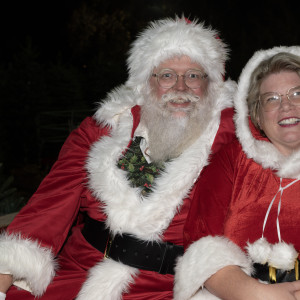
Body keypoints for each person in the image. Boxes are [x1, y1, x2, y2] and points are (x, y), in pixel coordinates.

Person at [0, 17, 236, 300]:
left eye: (194, 75)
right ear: (146, 83)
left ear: (212, 84)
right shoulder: (101, 130)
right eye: (167, 75)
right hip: (82, 267)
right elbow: (50, 204)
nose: (181, 87)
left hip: (171, 285)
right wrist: (6, 270)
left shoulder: (233, 141)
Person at [174, 46, 300, 300]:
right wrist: (256, 294)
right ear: (258, 116)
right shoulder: (232, 160)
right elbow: (200, 239)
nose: (286, 105)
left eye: (297, 93)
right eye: (271, 99)